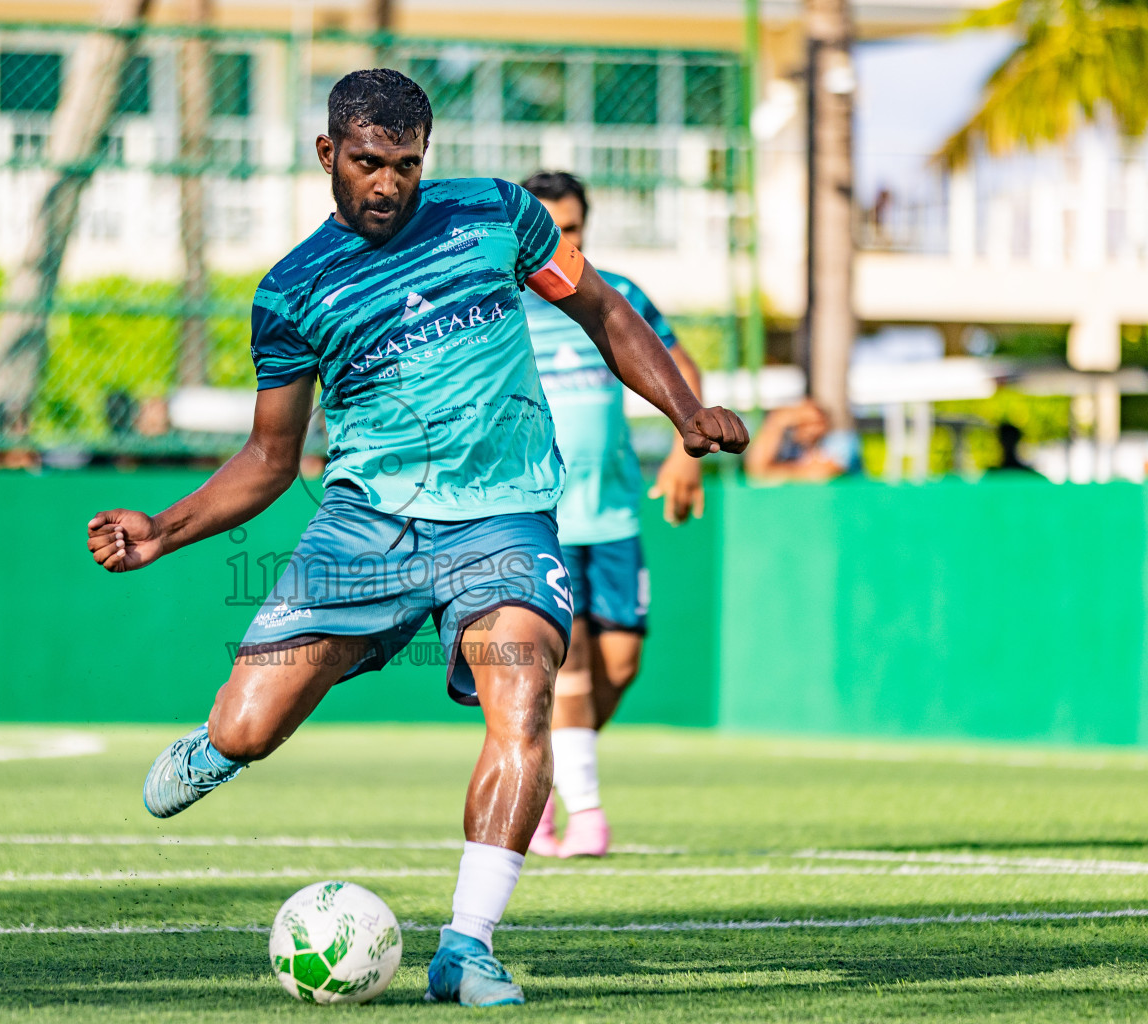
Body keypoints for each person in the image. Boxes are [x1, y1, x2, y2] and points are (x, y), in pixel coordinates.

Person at [85, 70, 748, 1007]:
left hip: (504, 516)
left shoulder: (498, 216)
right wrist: (164, 529)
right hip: (366, 529)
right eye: (367, 163)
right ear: (328, 155)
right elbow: (272, 459)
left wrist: (686, 409)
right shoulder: (291, 291)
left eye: (404, 164)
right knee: (250, 723)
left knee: (524, 700)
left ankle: (467, 946)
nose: (387, 183)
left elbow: (601, 310)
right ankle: (221, 742)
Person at [519, 171, 708, 860]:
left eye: (571, 229)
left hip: (615, 515)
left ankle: (535, 774)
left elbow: (679, 365)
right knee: (564, 671)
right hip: (541, 519)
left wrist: (688, 452)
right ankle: (587, 815)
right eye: (548, 228)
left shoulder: (615, 294)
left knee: (620, 666)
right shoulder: (501, 302)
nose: (559, 241)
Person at [744, 397, 860, 483]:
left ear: (826, 423)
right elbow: (756, 470)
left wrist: (779, 472)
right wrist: (776, 423)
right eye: (801, 423)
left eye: (816, 422)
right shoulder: (794, 448)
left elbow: (823, 473)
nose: (810, 429)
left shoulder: (841, 441)